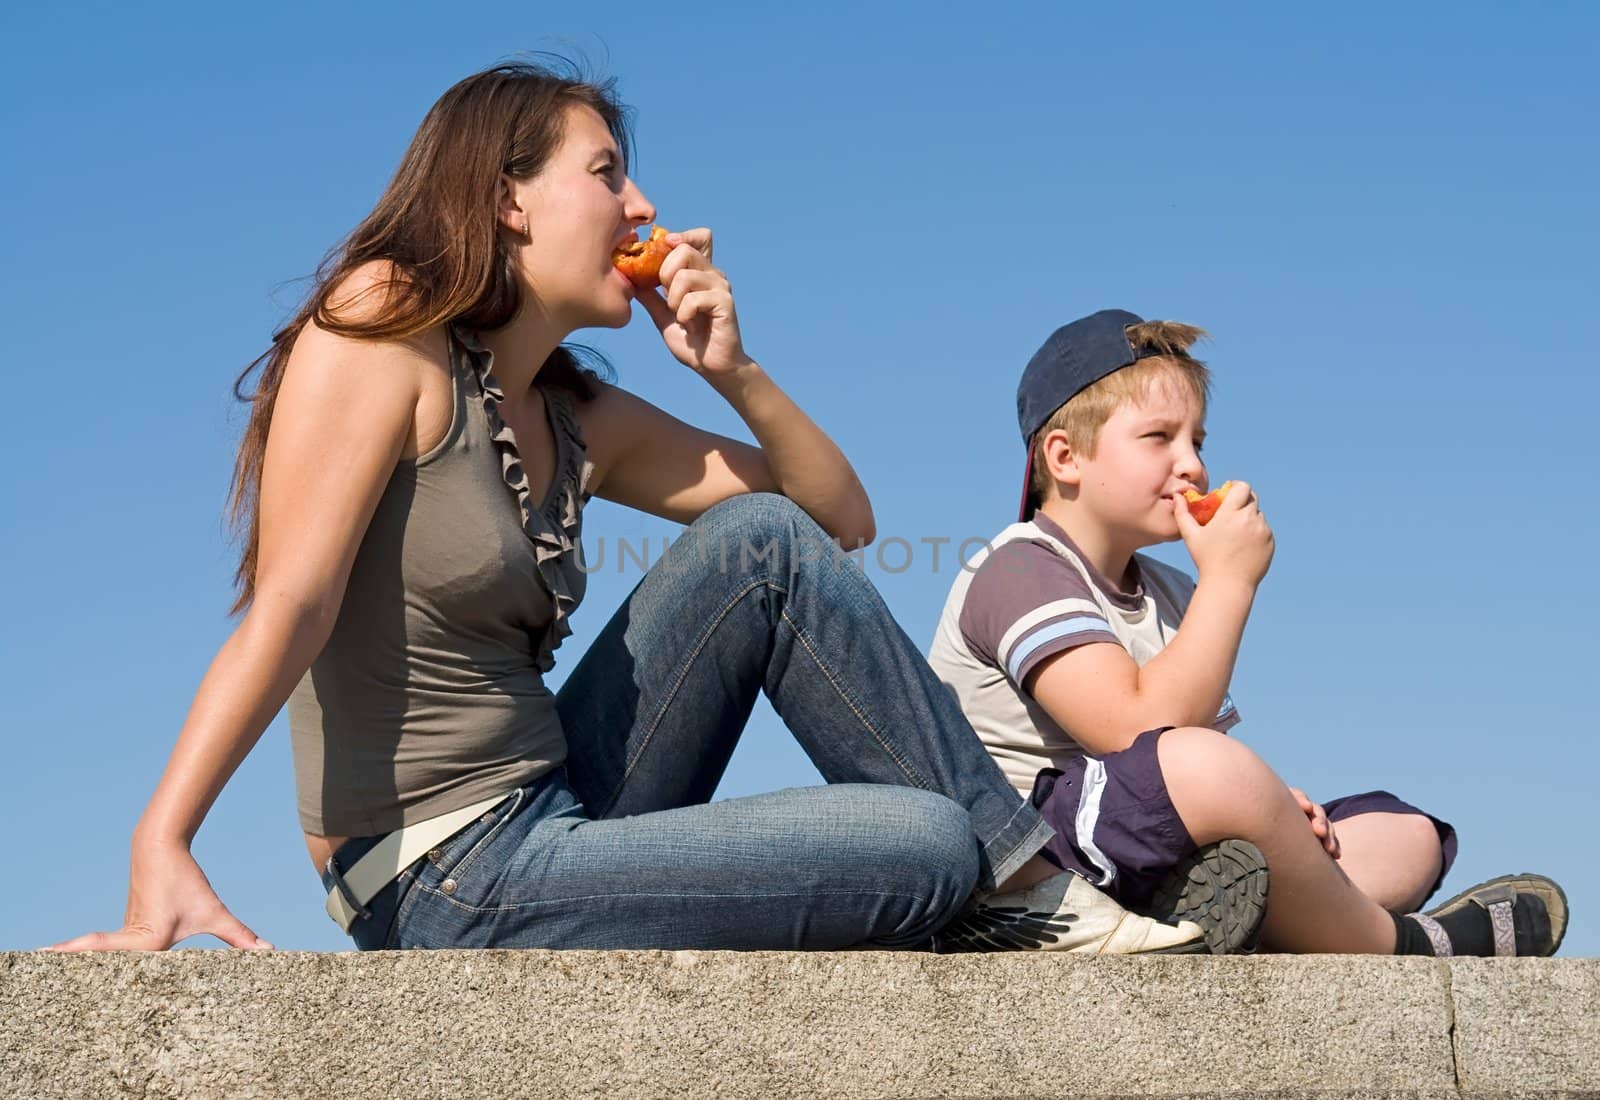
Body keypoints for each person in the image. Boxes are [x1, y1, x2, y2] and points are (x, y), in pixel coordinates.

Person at [46, 66, 1261, 956]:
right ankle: (1017, 885)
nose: (641, 207)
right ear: (508, 196)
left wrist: (730, 370)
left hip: (560, 802)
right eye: (605, 171)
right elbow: (295, 601)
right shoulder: (387, 325)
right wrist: (164, 839)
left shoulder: (578, 412)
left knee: (760, 543)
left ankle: (1023, 889)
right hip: (445, 875)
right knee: (931, 845)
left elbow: (833, 521)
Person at [926, 308, 1567, 956]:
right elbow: (1137, 731)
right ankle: (1400, 945)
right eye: (1159, 438)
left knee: (1406, 834)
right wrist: (1230, 583)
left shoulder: (1172, 590)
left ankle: (1246, 910)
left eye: (1197, 442)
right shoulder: (1020, 564)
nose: (1193, 466)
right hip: (1039, 851)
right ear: (1065, 457)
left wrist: (1276, 810)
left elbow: (1192, 759)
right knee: (1209, 770)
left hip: (1147, 836)